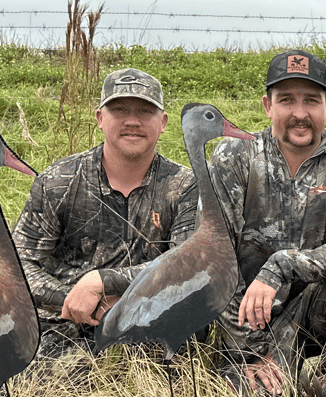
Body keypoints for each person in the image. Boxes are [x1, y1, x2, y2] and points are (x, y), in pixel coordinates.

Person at [209, 49, 326, 397]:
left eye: (311, 101)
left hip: (314, 314)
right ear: (267, 106)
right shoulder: (235, 156)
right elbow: (214, 258)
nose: (299, 114)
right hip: (248, 320)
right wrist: (252, 352)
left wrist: (282, 264)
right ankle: (251, 368)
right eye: (287, 100)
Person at [13, 68, 198, 361]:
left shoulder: (187, 186)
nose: (132, 121)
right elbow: (20, 263)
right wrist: (71, 300)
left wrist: (104, 281)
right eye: (119, 110)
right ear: (100, 118)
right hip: (64, 322)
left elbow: (187, 264)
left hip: (148, 322)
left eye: (144, 111)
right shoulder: (58, 180)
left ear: (162, 123)